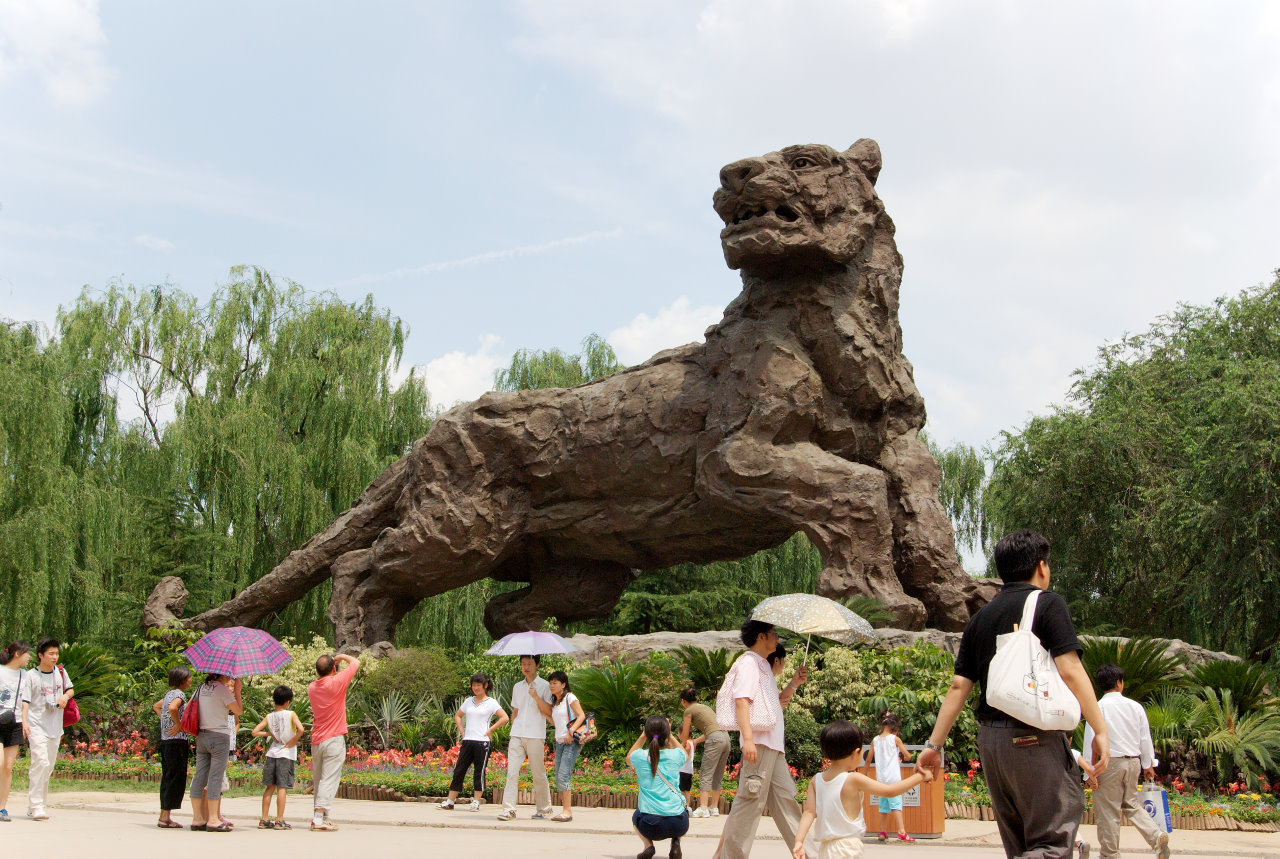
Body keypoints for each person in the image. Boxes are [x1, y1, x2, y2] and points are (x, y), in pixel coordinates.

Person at [915, 529, 1110, 859]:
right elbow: (1070, 669)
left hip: (992, 743)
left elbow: (959, 686)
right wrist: (1100, 729)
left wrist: (934, 746)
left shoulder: (980, 619)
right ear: (1041, 566)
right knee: (1052, 842)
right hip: (1033, 738)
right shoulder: (1048, 604)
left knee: (1019, 845)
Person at [718, 619, 809, 859]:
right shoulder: (749, 663)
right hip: (759, 745)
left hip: (773, 748)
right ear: (761, 637)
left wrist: (794, 684)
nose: (777, 638)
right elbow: (741, 701)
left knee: (787, 802)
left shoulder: (762, 666)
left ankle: (807, 854)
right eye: (773, 633)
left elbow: (773, 705)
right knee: (749, 805)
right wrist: (748, 740)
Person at [794, 720, 932, 859]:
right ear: (856, 753)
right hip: (848, 849)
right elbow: (889, 791)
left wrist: (799, 840)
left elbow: (809, 812)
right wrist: (920, 776)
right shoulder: (853, 779)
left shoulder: (816, 780)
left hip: (825, 849)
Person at [1080, 665, 1170, 859]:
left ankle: (1110, 855)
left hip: (1108, 764)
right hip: (1133, 762)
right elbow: (1144, 737)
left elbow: (1090, 740)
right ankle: (1156, 836)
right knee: (1131, 805)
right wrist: (1148, 765)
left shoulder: (1097, 707)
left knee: (1108, 811)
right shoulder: (1135, 707)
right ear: (1119, 683)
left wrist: (1089, 772)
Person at [21, 637, 75, 821]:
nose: (54, 657)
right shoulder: (30, 676)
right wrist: (24, 722)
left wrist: (65, 697)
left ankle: (36, 805)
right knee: (40, 763)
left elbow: (70, 689)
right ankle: (36, 806)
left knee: (48, 767)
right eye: (51, 654)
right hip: (36, 725)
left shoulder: (60, 672)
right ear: (40, 655)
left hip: (55, 726)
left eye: (56, 653)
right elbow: (25, 701)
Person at [307, 651, 361, 831]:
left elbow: (327, 677)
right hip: (334, 739)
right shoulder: (337, 682)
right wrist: (342, 656)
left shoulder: (312, 687)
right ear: (333, 669)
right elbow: (356, 663)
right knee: (329, 780)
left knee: (319, 780)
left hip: (317, 740)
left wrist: (333, 665)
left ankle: (323, 816)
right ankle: (318, 819)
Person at [497, 654, 554, 821]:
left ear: (537, 665)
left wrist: (536, 697)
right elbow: (515, 710)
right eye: (523, 664)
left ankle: (544, 808)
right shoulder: (517, 686)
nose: (526, 667)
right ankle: (509, 809)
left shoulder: (545, 686)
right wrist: (513, 725)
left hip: (535, 735)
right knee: (511, 772)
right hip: (517, 734)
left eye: (529, 663)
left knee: (538, 772)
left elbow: (549, 711)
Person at [440, 672, 508, 811]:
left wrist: (490, 729)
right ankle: (450, 801)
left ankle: (476, 802)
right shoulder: (468, 701)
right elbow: (458, 715)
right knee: (459, 770)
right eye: (473, 685)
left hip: (482, 742)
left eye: (478, 685)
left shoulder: (491, 702)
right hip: (468, 741)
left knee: (479, 771)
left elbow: (505, 717)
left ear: (485, 685)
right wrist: (462, 730)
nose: (476, 688)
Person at [628, 715, 690, 859]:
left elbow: (629, 757)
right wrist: (670, 734)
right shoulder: (675, 755)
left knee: (636, 816)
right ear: (666, 735)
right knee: (682, 810)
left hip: (650, 825)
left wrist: (643, 736)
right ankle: (676, 841)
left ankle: (648, 845)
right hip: (678, 824)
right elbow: (685, 755)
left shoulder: (640, 757)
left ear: (647, 733)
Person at [187, 672, 242, 832]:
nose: (230, 678)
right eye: (228, 675)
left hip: (202, 735)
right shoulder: (222, 690)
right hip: (219, 736)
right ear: (222, 675)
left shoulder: (201, 688)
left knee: (199, 776)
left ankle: (197, 818)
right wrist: (238, 692)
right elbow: (238, 711)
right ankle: (212, 819)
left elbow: (191, 705)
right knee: (215, 777)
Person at [251, 684, 305, 830]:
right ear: (288, 702)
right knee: (282, 787)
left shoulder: (269, 716)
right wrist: (293, 740)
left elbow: (254, 732)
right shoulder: (291, 714)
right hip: (286, 754)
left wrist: (269, 733)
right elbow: (301, 729)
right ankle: (279, 820)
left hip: (272, 754)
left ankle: (264, 819)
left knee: (269, 787)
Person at [864, 710, 915, 843]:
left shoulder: (875, 740)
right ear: (894, 727)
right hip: (893, 778)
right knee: (896, 805)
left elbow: (868, 759)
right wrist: (909, 756)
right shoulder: (895, 739)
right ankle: (901, 832)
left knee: (883, 806)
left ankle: (882, 831)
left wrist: (864, 774)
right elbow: (907, 756)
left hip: (881, 778)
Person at [679, 687, 729, 819]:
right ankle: (714, 808)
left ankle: (703, 808)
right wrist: (696, 741)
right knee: (718, 774)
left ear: (683, 701)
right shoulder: (705, 707)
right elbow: (712, 730)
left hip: (715, 739)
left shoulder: (688, 710)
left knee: (706, 774)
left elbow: (685, 732)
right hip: (726, 738)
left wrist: (683, 745)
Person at [152, 666, 192, 828]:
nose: (190, 680)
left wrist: (166, 721)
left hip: (166, 741)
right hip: (177, 742)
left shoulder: (169, 694)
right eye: (188, 678)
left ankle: (164, 815)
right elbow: (172, 708)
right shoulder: (179, 695)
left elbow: (157, 706)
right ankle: (165, 817)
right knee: (175, 778)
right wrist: (178, 724)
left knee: (168, 777)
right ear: (183, 680)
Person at [547, 669, 586, 822]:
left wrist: (571, 732)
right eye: (550, 683)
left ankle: (567, 811)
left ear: (563, 684)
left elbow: (581, 715)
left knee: (563, 775)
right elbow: (557, 723)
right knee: (558, 776)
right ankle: (565, 809)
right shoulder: (556, 702)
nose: (552, 685)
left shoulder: (570, 697)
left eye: (555, 683)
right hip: (560, 742)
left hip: (571, 742)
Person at [0, 641, 32, 824]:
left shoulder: (24, 675)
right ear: (17, 654)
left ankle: (2, 807)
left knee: (7, 767)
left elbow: (25, 701)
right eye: (27, 653)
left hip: (15, 723)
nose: (29, 657)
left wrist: (25, 721)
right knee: (0, 763)